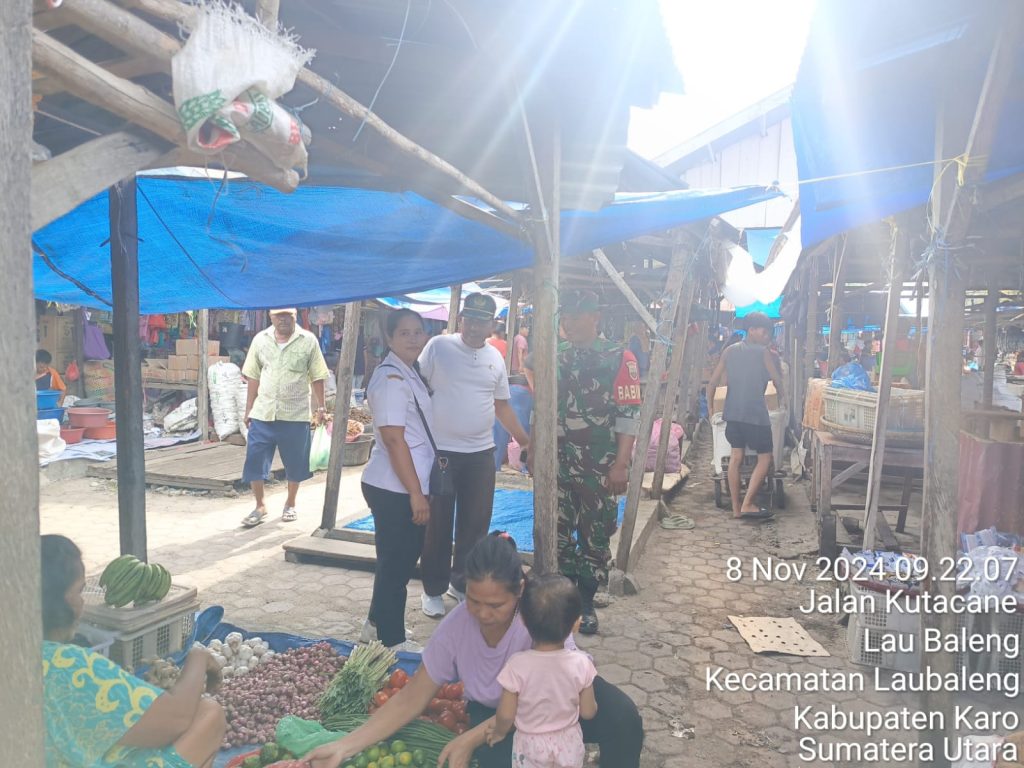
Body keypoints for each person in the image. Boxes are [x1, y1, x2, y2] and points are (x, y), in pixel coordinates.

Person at [305, 533, 643, 768]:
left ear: (519, 591)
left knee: (623, 718)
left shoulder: (540, 616)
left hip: (560, 702)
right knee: (495, 761)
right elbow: (411, 698)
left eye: (495, 605)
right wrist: (344, 746)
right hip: (499, 716)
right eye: (474, 601)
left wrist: (468, 739)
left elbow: (567, 690)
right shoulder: (455, 628)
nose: (483, 614)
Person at [41, 535, 226, 768]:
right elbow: (174, 720)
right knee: (209, 714)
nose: (82, 602)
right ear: (58, 602)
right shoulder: (68, 665)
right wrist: (198, 658)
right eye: (79, 592)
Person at [417, 293, 530, 616]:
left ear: (492, 323)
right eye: (469, 319)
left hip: (481, 454)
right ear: (461, 319)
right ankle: (432, 589)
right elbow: (417, 388)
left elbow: (501, 405)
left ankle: (461, 584)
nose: (473, 326)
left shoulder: (495, 357)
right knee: (437, 524)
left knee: (475, 524)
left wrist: (525, 441)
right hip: (441, 453)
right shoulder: (439, 347)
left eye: (481, 321)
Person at [555, 289, 641, 634]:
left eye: (577, 316)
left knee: (595, 535)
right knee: (558, 532)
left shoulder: (619, 357)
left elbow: (628, 415)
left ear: (595, 317)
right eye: (565, 316)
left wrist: (620, 464)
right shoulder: (557, 356)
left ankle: (586, 604)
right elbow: (543, 406)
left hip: (600, 465)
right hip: (559, 462)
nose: (569, 322)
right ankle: (562, 602)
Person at [358, 309, 433, 652]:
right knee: (397, 565)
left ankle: (375, 625)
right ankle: (392, 642)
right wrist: (415, 493)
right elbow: (392, 439)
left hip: (402, 483)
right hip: (395, 487)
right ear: (389, 338)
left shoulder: (408, 371)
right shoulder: (391, 379)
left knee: (396, 561)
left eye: (418, 331)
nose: (413, 339)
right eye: (404, 333)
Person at [486, 574, 598, 768]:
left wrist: (499, 732)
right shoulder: (582, 664)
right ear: (576, 624)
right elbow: (588, 712)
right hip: (568, 744)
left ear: (523, 621)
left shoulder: (516, 666)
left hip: (530, 745)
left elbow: (506, 715)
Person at [240, 308, 330, 527]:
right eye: (278, 316)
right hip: (263, 412)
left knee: (296, 463)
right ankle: (260, 506)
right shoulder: (260, 340)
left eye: (287, 315)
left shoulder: (308, 340)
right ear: (271, 317)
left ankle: (290, 503)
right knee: (254, 459)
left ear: (295, 316)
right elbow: (253, 376)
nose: (283, 319)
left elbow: (317, 375)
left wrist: (321, 407)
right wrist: (249, 408)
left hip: (295, 414)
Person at [705, 311, 785, 521]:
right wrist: (782, 400)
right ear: (751, 330)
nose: (767, 337)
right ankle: (748, 503)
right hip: (756, 415)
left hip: (732, 415)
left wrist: (711, 409)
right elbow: (777, 380)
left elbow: (712, 383)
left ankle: (736, 508)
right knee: (765, 457)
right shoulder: (763, 352)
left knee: (736, 458)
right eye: (764, 332)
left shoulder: (729, 351)